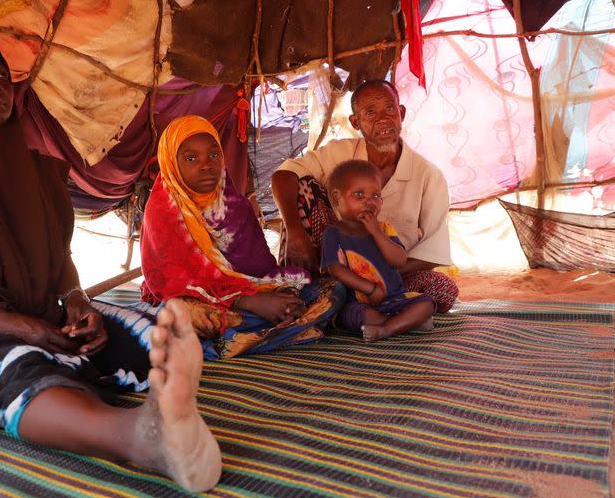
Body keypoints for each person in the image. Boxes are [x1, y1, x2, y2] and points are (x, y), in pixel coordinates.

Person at [0, 36, 221, 492]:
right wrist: (18, 327)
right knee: (13, 361)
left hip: (31, 311)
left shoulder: (35, 171)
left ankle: (155, 399)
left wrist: (78, 302)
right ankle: (136, 438)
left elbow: (56, 256)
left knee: (140, 330)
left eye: (2, 78)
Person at [140, 115, 344, 359]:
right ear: (171, 162)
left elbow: (260, 270)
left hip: (251, 293)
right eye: (191, 158)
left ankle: (247, 337)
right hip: (203, 303)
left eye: (214, 155)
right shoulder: (163, 211)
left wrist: (276, 296)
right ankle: (282, 330)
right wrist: (250, 302)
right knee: (177, 312)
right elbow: (172, 284)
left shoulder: (236, 206)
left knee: (332, 290)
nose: (206, 165)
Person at [271, 79, 458, 313]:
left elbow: (434, 250)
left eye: (390, 109)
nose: (383, 119)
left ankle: (338, 304)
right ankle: (315, 290)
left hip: (394, 275)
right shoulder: (339, 152)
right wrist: (295, 230)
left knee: (443, 289)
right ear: (355, 122)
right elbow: (284, 174)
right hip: (337, 269)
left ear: (401, 113)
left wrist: (376, 273)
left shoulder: (428, 175)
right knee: (302, 185)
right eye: (370, 112)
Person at [321, 160, 435, 342]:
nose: (369, 202)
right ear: (336, 198)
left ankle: (387, 329)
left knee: (427, 303)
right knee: (353, 315)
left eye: (375, 196)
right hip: (360, 303)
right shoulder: (333, 233)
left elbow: (399, 261)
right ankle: (404, 324)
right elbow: (335, 269)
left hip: (396, 299)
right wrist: (370, 289)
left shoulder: (385, 229)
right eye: (359, 194)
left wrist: (376, 232)